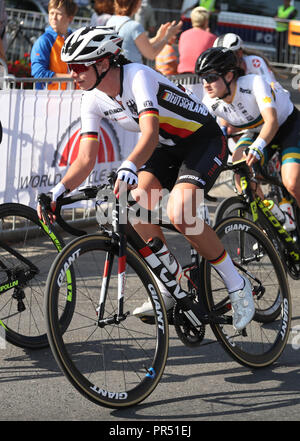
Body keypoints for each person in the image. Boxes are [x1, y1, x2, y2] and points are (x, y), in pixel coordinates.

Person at [37, 26, 255, 331]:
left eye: (77, 67)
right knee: (133, 208)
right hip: (166, 148)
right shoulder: (93, 99)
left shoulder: (137, 76)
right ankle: (172, 281)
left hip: (201, 140)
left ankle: (237, 283)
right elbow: (86, 158)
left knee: (182, 213)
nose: (72, 74)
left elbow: (150, 134)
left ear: (102, 63)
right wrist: (58, 191)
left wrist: (128, 165)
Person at [195, 47, 300, 210]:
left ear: (229, 75)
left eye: (211, 77)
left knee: (291, 183)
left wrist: (257, 147)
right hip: (256, 131)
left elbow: (271, 121)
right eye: (202, 78)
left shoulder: (253, 83)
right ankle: (270, 215)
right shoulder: (210, 101)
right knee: (240, 173)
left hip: (287, 127)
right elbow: (200, 133)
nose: (206, 84)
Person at [106, 0, 182, 64]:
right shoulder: (134, 26)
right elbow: (151, 54)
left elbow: (138, 45)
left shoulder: (111, 21)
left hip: (118, 71)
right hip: (133, 73)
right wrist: (167, 36)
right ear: (136, 3)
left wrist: (158, 37)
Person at [31, 0, 78, 90]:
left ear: (70, 18)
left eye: (58, 14)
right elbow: (39, 74)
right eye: (51, 13)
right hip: (49, 98)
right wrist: (70, 77)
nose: (54, 17)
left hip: (74, 98)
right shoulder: (44, 41)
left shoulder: (76, 40)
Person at [177, 6, 216, 74]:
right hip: (201, 74)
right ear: (206, 21)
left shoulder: (183, 35)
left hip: (182, 73)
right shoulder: (212, 37)